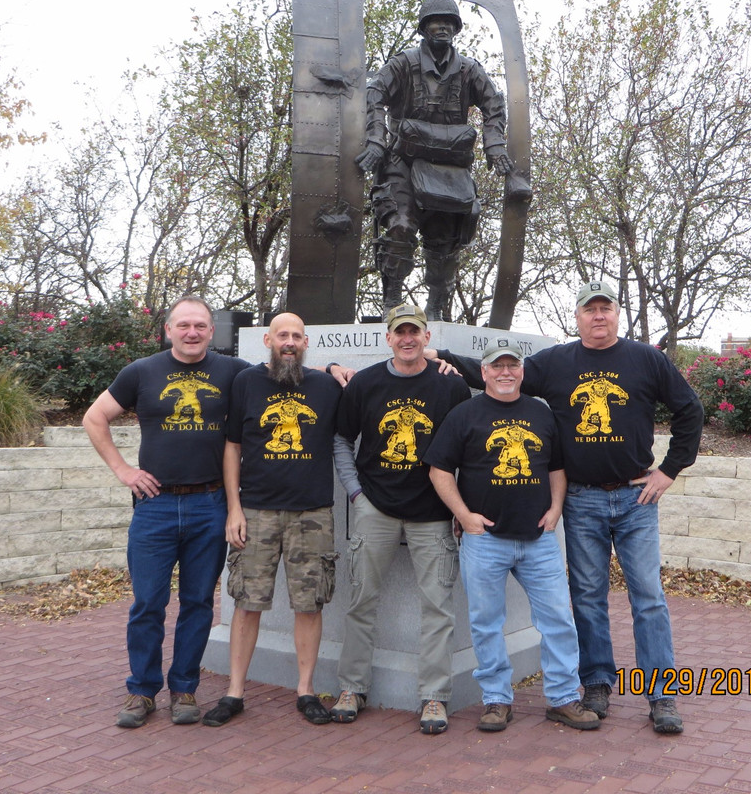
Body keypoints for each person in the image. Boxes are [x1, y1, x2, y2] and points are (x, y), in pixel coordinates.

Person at [430, 280, 704, 733]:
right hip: (582, 499)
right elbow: (502, 374)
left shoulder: (647, 359)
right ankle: (595, 683)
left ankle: (662, 696)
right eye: (589, 309)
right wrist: (436, 356)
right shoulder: (557, 362)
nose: (598, 316)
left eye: (606, 308)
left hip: (637, 498)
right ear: (577, 317)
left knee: (649, 599)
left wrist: (669, 470)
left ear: (617, 314)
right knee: (587, 597)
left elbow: (689, 410)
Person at [83, 296, 248, 729]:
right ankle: (141, 690)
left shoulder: (233, 372)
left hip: (209, 504)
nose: (192, 332)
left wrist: (334, 370)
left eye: (200, 326)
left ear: (212, 332)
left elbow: (285, 379)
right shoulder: (141, 372)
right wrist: (123, 470)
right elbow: (95, 418)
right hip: (154, 506)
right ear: (168, 330)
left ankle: (184, 689)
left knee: (197, 603)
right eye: (183, 325)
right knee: (148, 603)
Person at [424, 340, 599, 733]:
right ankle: (497, 700)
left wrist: (556, 508)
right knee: (486, 623)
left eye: (512, 366)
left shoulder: (541, 413)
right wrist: (464, 516)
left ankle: (563, 697)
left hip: (538, 540)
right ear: (483, 372)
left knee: (557, 618)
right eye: (496, 366)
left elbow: (556, 467)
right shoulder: (464, 414)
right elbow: (438, 469)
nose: (505, 372)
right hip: (485, 540)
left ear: (521, 371)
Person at [330, 303, 471, 734]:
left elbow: (467, 448)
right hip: (376, 508)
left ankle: (434, 696)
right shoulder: (366, 383)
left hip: (432, 513)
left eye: (415, 332)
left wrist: (458, 506)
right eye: (399, 332)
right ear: (388, 338)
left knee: (438, 607)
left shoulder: (451, 387)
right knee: (361, 601)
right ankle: (352, 687)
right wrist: (356, 495)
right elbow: (341, 439)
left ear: (427, 337)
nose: (407, 339)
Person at [202, 313, 342, 728]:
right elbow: (232, 446)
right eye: (282, 334)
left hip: (312, 512)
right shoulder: (246, 382)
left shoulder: (326, 386)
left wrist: (337, 368)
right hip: (257, 511)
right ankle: (235, 692)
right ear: (267, 339)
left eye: (297, 336)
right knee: (247, 602)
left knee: (309, 602)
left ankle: (305, 689)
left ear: (306, 343)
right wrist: (234, 507)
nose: (289, 341)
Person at [356, 0, 528, 320]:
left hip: (448, 168)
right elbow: (374, 93)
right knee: (400, 225)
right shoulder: (404, 64)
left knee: (443, 241)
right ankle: (391, 298)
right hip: (402, 162)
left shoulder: (468, 70)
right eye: (436, 21)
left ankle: (436, 307)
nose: (443, 27)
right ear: (423, 28)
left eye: (449, 22)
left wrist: (495, 146)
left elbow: (494, 104)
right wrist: (376, 139)